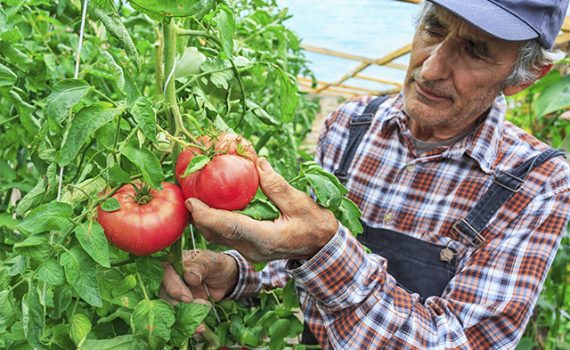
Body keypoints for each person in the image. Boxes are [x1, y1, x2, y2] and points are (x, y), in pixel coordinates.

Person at [162, 0, 570, 348]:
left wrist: (322, 248)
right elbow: (294, 269)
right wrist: (235, 273)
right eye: (433, 27)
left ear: (525, 77)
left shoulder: (536, 182)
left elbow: (460, 340)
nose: (430, 69)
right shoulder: (349, 124)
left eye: (475, 51)